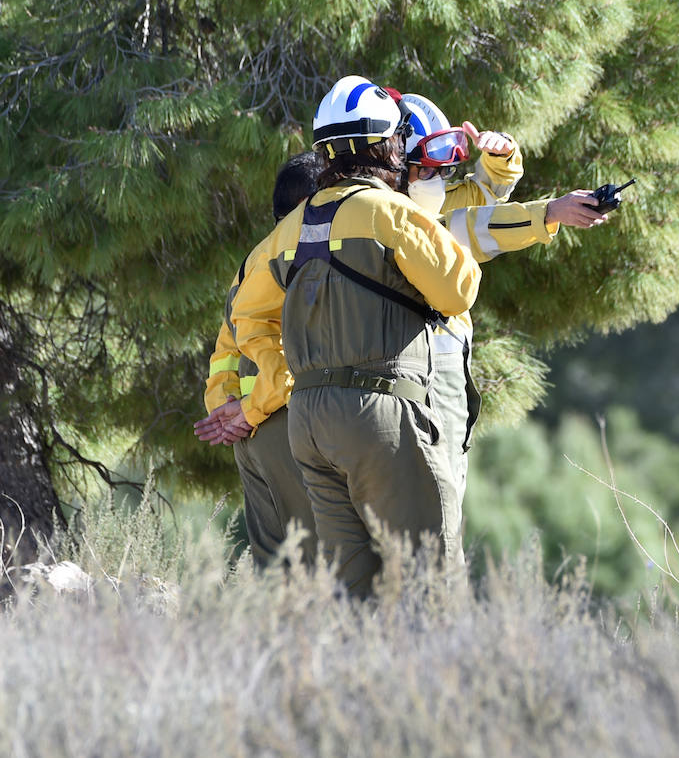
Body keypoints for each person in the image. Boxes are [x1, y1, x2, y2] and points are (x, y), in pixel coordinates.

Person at [231, 76, 483, 597]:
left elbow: (246, 314)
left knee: (353, 595)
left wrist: (274, 382)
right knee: (427, 583)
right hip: (382, 415)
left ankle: (354, 678)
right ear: (386, 145)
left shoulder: (289, 228)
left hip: (309, 424)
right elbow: (460, 289)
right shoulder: (390, 212)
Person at [396, 94, 609, 561]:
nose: (438, 178)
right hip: (427, 382)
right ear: (395, 162)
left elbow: (483, 196)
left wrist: (501, 154)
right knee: (435, 527)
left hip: (422, 383)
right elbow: (472, 226)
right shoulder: (399, 222)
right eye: (427, 167)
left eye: (442, 168)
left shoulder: (408, 199)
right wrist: (550, 213)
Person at [194, 150, 324, 567]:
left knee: (275, 568)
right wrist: (247, 412)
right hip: (282, 422)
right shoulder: (300, 256)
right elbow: (285, 361)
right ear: (311, 202)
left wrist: (222, 409)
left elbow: (224, 351)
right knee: (318, 563)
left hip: (248, 438)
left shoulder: (252, 258)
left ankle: (270, 636)